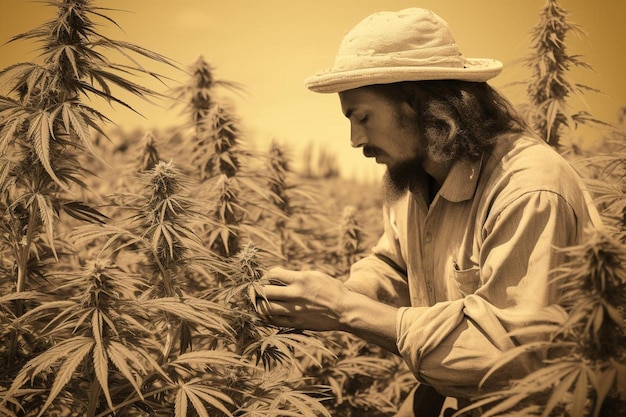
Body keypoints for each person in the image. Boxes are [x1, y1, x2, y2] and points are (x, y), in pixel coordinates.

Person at [254, 8, 602, 417]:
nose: (353, 139)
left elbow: (510, 358)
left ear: (424, 104)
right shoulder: (415, 178)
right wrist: (333, 296)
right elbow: (393, 266)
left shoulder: (528, 186)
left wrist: (345, 310)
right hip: (451, 396)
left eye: (362, 116)